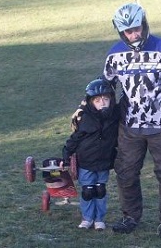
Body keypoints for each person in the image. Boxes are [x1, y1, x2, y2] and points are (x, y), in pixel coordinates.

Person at [104, 2, 161, 238]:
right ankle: (130, 216)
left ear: (144, 24)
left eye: (136, 28)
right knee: (125, 173)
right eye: (127, 31)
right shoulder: (115, 55)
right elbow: (104, 87)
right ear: (120, 31)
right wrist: (84, 109)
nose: (133, 34)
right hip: (129, 126)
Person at [62, 78, 119, 231]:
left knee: (100, 190)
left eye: (105, 99)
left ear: (111, 100)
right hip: (86, 162)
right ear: (90, 102)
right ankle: (87, 218)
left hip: (104, 161)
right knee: (88, 191)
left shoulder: (115, 116)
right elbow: (75, 139)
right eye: (98, 100)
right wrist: (66, 155)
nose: (102, 102)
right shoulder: (85, 118)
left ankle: (99, 219)